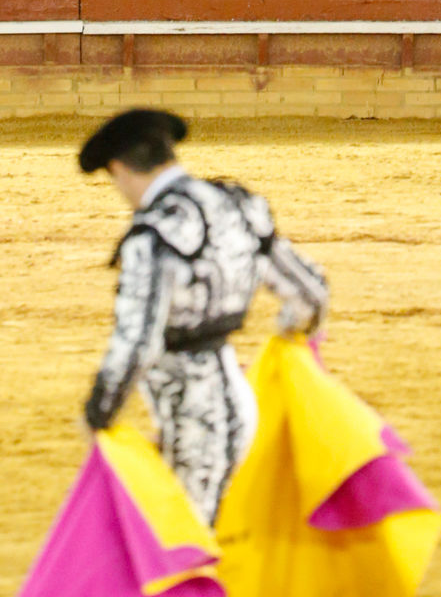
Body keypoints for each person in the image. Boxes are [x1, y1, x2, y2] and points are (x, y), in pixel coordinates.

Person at [79, 105, 328, 522]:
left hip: (191, 416)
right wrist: (283, 346)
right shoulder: (237, 205)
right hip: (239, 400)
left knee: (186, 541)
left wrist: (97, 414)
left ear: (119, 169)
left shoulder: (153, 234)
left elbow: (138, 343)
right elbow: (311, 295)